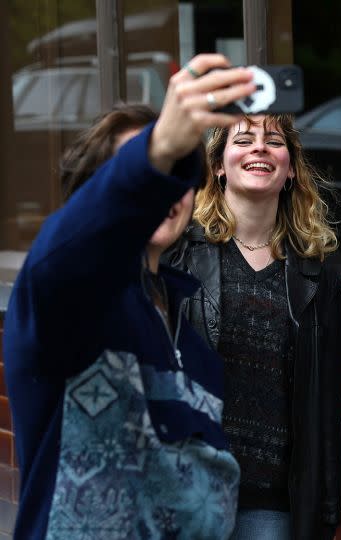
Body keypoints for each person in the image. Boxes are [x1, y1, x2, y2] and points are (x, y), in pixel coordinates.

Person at [3, 54, 256, 539]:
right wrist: (159, 148)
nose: (161, 192)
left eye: (175, 178)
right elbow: (72, 251)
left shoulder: (197, 349)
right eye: (140, 173)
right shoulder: (68, 299)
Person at [165, 113, 341, 540]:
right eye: (243, 140)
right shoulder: (179, 257)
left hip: (273, 507)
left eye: (274, 141)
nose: (260, 148)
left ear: (290, 170)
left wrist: (327, 509)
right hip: (190, 494)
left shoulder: (316, 278)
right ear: (218, 166)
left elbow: (326, 407)